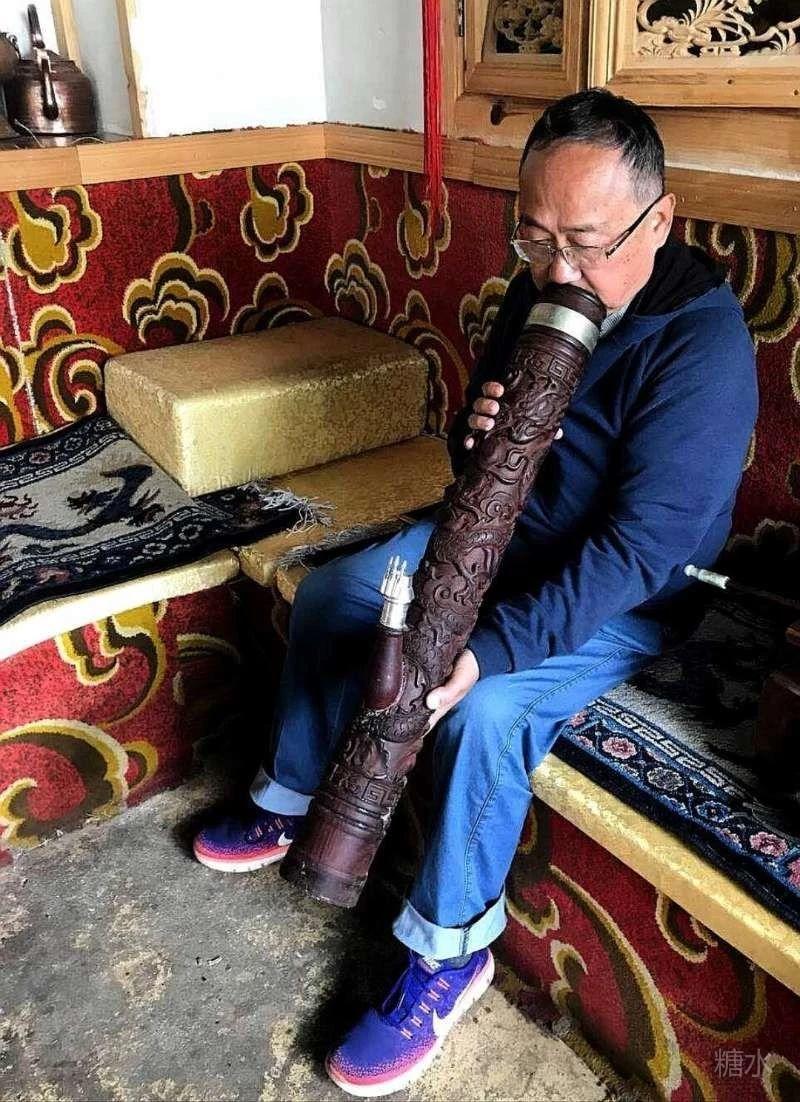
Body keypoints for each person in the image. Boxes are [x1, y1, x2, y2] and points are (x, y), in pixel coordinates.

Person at [193, 89, 758, 1097]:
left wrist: (488, 649)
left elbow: (643, 548)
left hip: (622, 593)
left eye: (586, 244)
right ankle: (289, 798)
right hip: (505, 539)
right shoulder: (539, 290)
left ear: (658, 220)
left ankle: (447, 956)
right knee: (336, 595)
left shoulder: (701, 347)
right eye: (535, 238)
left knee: (483, 710)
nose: (558, 270)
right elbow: (476, 460)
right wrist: (481, 433)